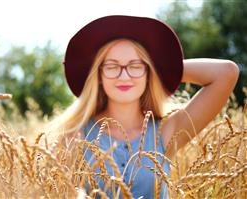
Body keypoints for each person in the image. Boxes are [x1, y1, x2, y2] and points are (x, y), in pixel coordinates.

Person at [48, 15, 239, 198]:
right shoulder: (76, 135)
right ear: (98, 75)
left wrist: (162, 70)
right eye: (112, 66)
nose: (124, 76)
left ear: (149, 71)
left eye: (135, 66)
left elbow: (226, 72)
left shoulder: (165, 131)